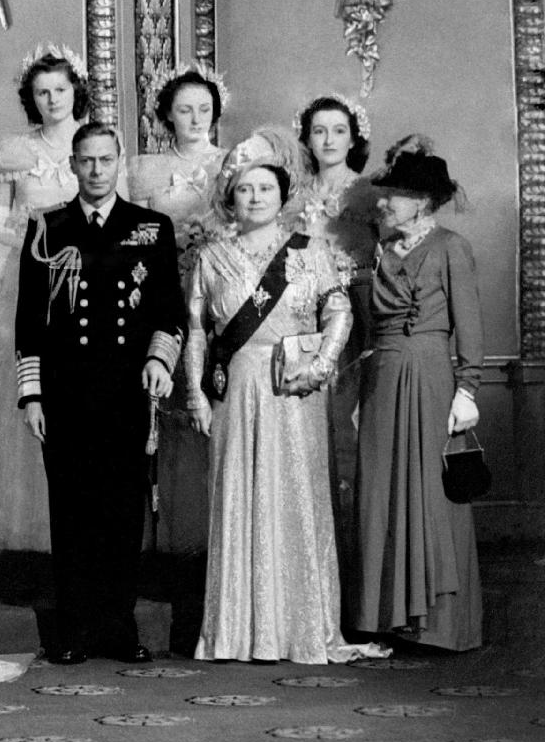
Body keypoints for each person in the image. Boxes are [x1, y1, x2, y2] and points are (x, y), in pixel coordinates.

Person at [182, 130, 383, 663]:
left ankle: (299, 629)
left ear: (281, 193)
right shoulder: (211, 258)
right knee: (238, 497)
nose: (255, 198)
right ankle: (238, 632)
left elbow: (337, 313)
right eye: (244, 190)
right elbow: (198, 330)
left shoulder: (312, 251)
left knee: (295, 496)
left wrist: (319, 367)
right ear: (230, 198)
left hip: (294, 389)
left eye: (264, 188)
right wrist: (197, 396)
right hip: (236, 389)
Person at [15, 121, 180, 664]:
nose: (96, 170)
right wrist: (32, 395)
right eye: (86, 161)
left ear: (120, 162)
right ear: (72, 164)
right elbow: (29, 321)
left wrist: (159, 358)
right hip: (65, 394)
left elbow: (168, 310)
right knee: (71, 511)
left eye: (105, 160)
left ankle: (117, 625)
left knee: (121, 513)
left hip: (125, 392)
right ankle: (73, 629)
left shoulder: (151, 227)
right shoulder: (46, 228)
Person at [352, 138, 484, 652]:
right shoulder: (380, 250)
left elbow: (467, 324)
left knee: (431, 492)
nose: (384, 202)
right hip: (382, 379)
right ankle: (385, 619)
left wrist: (468, 386)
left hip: (431, 378)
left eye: (396, 195)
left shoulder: (451, 247)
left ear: (423, 201)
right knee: (381, 492)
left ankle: (438, 625)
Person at [0, 44, 102, 554]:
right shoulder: (13, 151)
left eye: (60, 90)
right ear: (31, 99)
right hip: (30, 276)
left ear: (76, 91)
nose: (52, 99)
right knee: (30, 386)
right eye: (42, 92)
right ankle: (30, 523)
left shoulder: (97, 144)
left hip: (91, 276)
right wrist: (36, 250)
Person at [129, 63, 231, 557]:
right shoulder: (145, 167)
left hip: (220, 296)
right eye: (185, 109)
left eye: (204, 110)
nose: (196, 118)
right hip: (163, 292)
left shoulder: (234, 162)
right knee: (164, 405)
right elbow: (133, 236)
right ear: (167, 114)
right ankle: (169, 532)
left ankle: (223, 530)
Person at [292, 93, 378, 590]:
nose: (327, 140)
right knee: (312, 438)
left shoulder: (368, 194)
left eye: (338, 130)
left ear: (353, 137)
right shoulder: (292, 193)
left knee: (352, 436)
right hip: (308, 323)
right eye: (319, 130)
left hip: (360, 322)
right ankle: (313, 573)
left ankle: (358, 579)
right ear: (306, 137)